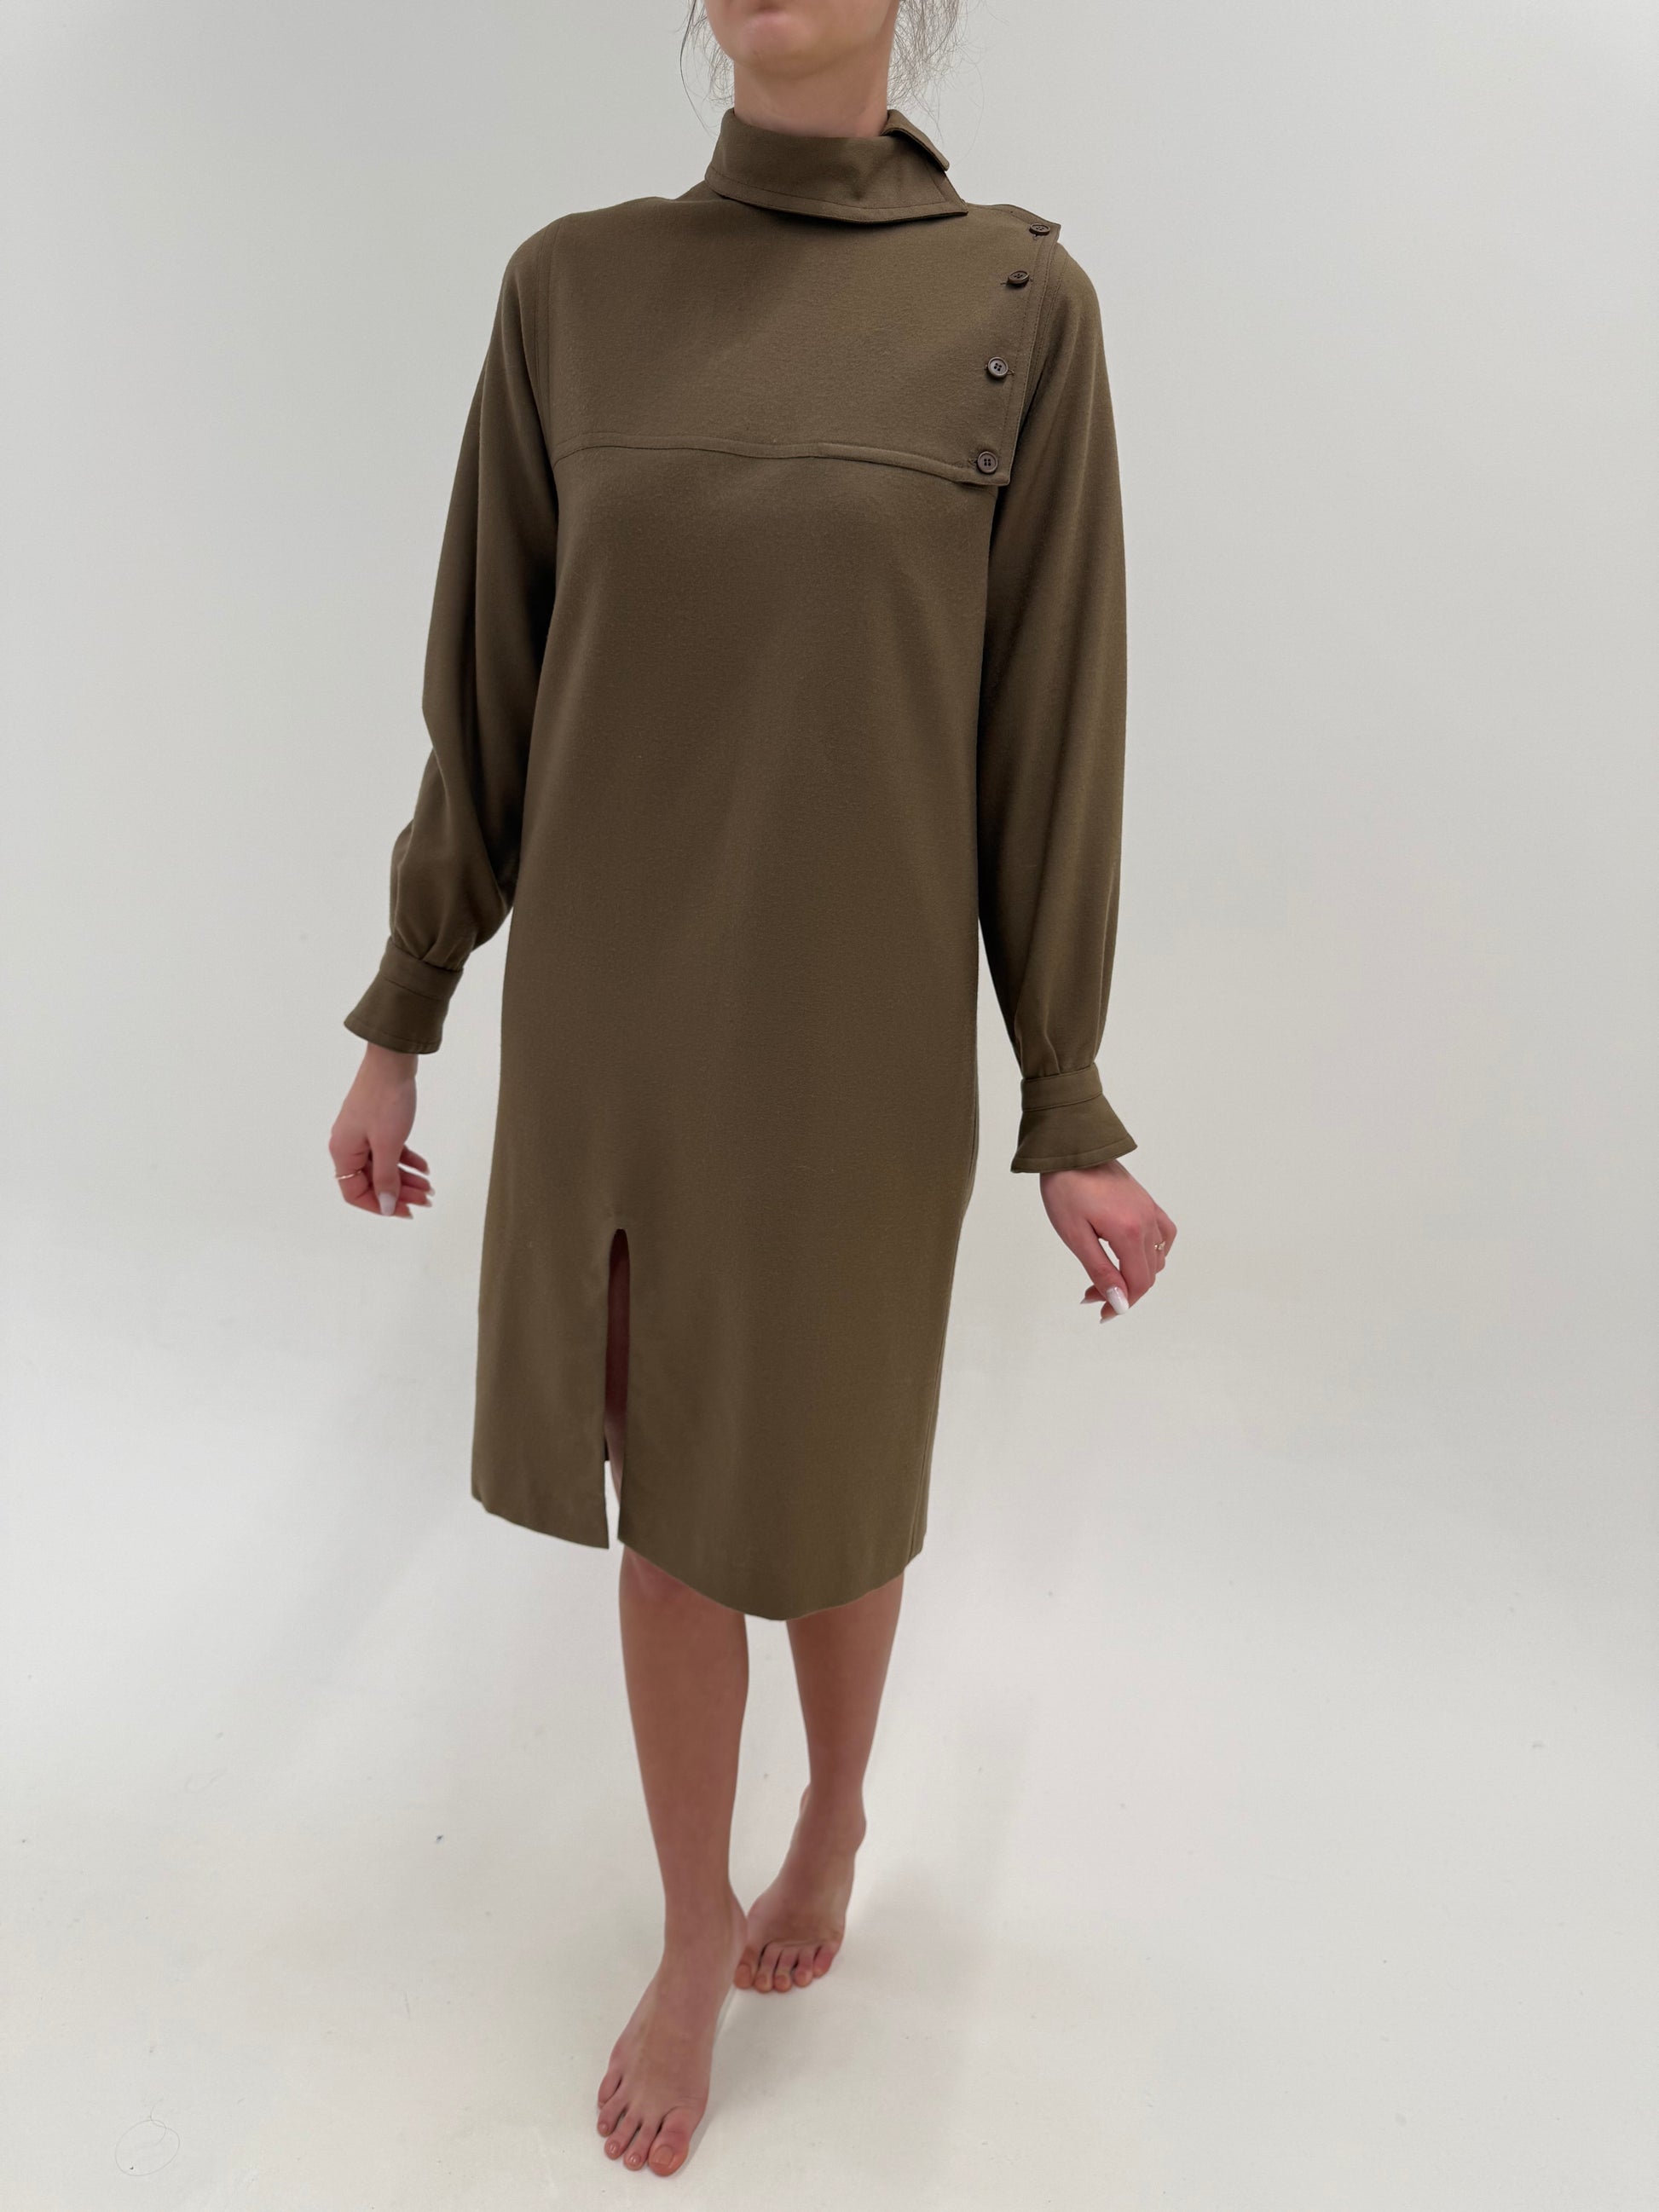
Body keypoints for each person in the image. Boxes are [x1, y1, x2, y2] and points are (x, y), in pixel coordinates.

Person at [328, 0, 1176, 2180]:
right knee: (672, 1507)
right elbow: (486, 689)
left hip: (857, 1037)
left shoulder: (1018, 310)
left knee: (828, 1475)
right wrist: (405, 1008)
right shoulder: (571, 290)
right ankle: (693, 1922)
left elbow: (1048, 731)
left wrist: (1068, 1094)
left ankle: (837, 1812)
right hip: (616, 1025)